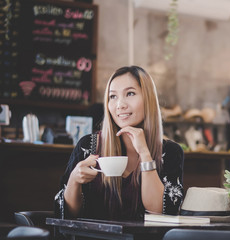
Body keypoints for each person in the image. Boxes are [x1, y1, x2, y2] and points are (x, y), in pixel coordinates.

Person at [55, 66, 184, 221]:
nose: (120, 105)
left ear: (148, 98)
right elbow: (66, 215)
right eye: (113, 97)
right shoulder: (88, 145)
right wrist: (75, 179)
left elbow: (161, 212)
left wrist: (144, 153)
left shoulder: (169, 151)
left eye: (130, 93)